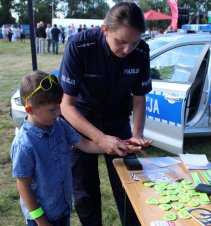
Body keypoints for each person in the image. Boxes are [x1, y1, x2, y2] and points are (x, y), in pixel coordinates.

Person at [58, 2, 152, 226]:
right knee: (85, 188)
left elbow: (139, 98)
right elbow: (66, 105)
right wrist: (99, 138)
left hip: (117, 117)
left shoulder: (141, 52)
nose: (127, 49)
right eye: (121, 41)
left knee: (128, 184)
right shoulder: (80, 46)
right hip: (81, 118)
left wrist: (137, 132)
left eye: (134, 42)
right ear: (105, 30)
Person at [10, 71, 127, 226]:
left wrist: (118, 145)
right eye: (52, 110)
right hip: (40, 218)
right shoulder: (24, 145)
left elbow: (85, 144)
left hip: (62, 209)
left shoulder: (59, 125)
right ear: (30, 110)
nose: (59, 112)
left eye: (59, 106)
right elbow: (23, 186)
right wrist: (41, 220)